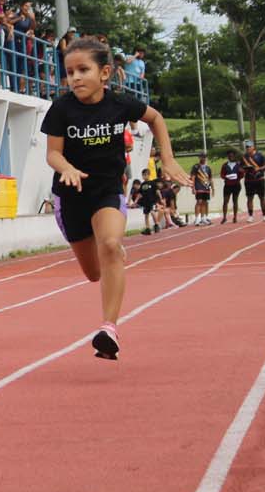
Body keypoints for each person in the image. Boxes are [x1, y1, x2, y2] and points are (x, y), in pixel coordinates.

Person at [42, 37, 187, 360]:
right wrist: (66, 168)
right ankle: (110, 253)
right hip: (71, 194)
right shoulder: (62, 108)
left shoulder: (119, 103)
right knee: (93, 273)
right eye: (69, 72)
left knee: (109, 245)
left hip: (107, 189)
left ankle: (109, 328)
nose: (75, 77)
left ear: (105, 73)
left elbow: (156, 118)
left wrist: (168, 158)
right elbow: (53, 153)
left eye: (83, 70)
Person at [241, 140, 265, 222]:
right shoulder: (244, 157)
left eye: (249, 146)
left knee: (262, 197)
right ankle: (250, 216)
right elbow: (240, 167)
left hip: (259, 179)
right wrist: (244, 169)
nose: (248, 148)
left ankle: (264, 215)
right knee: (249, 198)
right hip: (249, 180)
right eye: (246, 147)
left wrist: (258, 168)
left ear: (253, 147)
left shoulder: (260, 155)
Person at [219, 148, 243, 224]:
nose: (231, 157)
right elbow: (222, 175)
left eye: (232, 156)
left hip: (236, 184)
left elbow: (242, 174)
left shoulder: (238, 165)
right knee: (225, 201)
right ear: (228, 157)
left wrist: (238, 175)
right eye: (229, 156)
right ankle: (224, 217)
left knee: (235, 201)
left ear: (234, 156)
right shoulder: (225, 165)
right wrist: (226, 177)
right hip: (227, 185)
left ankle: (235, 217)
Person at [189, 152, 213, 226]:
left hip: (206, 188)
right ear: (199, 158)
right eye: (202, 157)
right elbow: (192, 177)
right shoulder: (196, 167)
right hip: (199, 187)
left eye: (204, 157)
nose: (203, 158)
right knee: (199, 202)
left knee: (204, 202)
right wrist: (193, 187)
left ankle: (203, 218)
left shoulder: (208, 168)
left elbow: (210, 178)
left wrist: (212, 188)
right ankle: (197, 218)